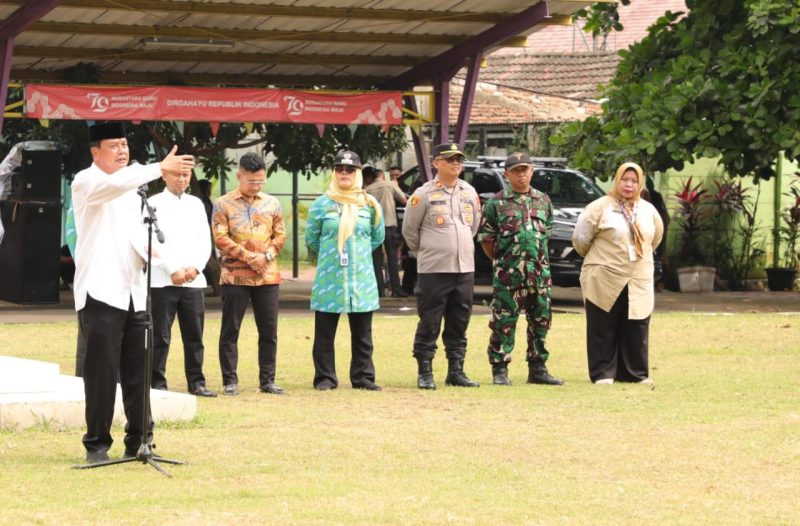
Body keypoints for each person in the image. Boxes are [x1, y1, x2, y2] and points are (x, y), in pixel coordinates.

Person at [71, 121, 195, 463]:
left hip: (135, 292)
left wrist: (173, 265)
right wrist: (158, 168)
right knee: (101, 375)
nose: (122, 151)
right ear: (95, 152)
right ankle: (97, 445)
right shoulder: (86, 182)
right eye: (113, 146)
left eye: (124, 145)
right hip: (101, 292)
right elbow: (114, 185)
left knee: (139, 371)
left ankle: (140, 441)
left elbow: (141, 237)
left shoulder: (132, 190)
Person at [571, 162, 664, 384]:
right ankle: (603, 373)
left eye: (634, 181)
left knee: (636, 324)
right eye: (625, 179)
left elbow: (655, 239)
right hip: (604, 276)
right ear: (617, 180)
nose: (629, 185)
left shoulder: (648, 210)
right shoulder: (599, 207)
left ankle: (634, 373)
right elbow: (580, 240)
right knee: (602, 324)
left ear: (640, 184)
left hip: (638, 277)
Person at [477, 152, 563, 386]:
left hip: (539, 274)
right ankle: (500, 369)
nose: (521, 174)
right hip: (508, 276)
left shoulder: (543, 200)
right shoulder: (496, 203)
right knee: (503, 323)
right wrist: (503, 261)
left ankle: (538, 368)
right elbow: (487, 239)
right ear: (507, 174)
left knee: (541, 322)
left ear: (532, 171)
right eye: (516, 170)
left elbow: (546, 234)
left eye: (525, 169)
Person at [401, 143, 481, 390]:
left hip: (464, 269)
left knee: (459, 321)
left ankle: (456, 371)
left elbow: (473, 227)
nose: (456, 163)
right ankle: (425, 371)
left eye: (459, 159)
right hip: (434, 270)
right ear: (436, 163)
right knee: (430, 321)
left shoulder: (469, 192)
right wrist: (428, 251)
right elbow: (410, 231)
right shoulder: (423, 194)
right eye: (449, 159)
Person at [305, 150, 385, 391]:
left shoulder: (369, 204)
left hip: (361, 279)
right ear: (334, 172)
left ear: (357, 173)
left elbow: (377, 237)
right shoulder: (322, 204)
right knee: (324, 333)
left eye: (350, 169)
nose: (344, 173)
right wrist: (332, 254)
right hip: (330, 278)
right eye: (339, 169)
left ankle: (363, 377)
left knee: (363, 333)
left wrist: (357, 255)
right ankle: (325, 378)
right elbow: (312, 239)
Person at [212, 152, 286, 396]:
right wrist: (248, 257)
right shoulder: (223, 204)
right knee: (230, 329)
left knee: (269, 330)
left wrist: (266, 256)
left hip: (267, 275)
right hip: (235, 276)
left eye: (260, 181)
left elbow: (280, 234)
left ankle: (268, 380)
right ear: (239, 176)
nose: (256, 186)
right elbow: (220, 237)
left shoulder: (272, 203)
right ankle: (230, 381)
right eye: (251, 181)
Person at [148, 169, 216, 397]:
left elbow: (204, 239)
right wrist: (172, 269)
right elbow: (150, 242)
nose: (182, 180)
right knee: (160, 335)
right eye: (177, 175)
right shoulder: (153, 203)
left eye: (186, 175)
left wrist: (195, 267)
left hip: (192, 281)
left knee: (194, 335)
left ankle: (197, 383)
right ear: (164, 176)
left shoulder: (196, 204)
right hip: (162, 280)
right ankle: (156, 382)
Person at [365, 167, 408, 298]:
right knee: (392, 259)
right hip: (389, 226)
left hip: (374, 227)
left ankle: (379, 290)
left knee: (376, 260)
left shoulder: (367, 190)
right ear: (383, 176)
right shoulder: (390, 185)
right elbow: (404, 200)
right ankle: (396, 289)